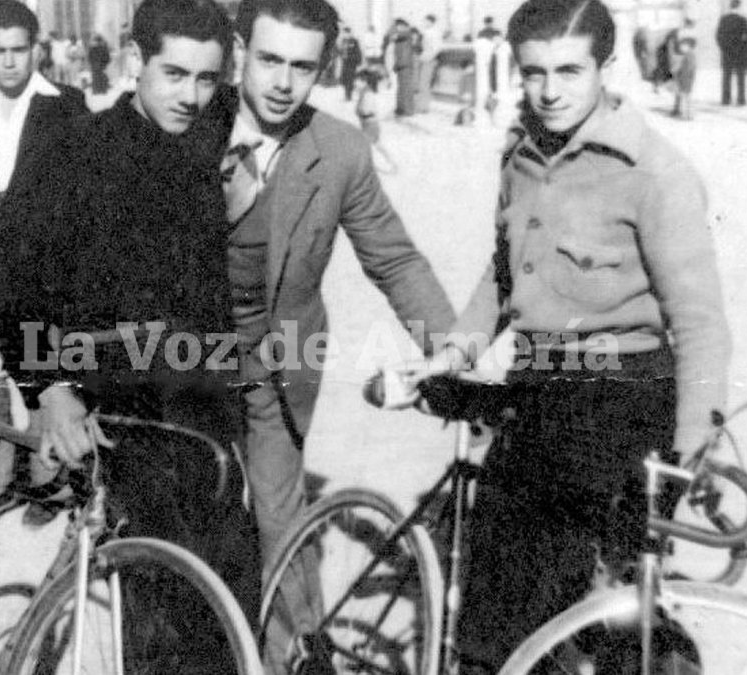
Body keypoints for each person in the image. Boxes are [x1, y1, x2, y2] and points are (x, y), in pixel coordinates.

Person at [400, 0, 730, 672]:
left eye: (570, 71)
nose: (550, 91)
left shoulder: (655, 174)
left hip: (620, 407)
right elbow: (501, 274)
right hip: (535, 399)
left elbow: (700, 324)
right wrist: (459, 347)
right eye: (534, 73)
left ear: (608, 68)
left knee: (604, 621)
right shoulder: (521, 158)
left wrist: (691, 451)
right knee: (499, 619)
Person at [0, 0, 261, 633]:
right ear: (135, 63)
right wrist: (48, 391)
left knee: (227, 603)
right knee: (156, 610)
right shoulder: (75, 151)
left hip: (203, 412)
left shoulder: (207, 131)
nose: (190, 95)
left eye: (207, 79)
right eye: (174, 74)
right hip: (114, 409)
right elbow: (2, 281)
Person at [204, 0, 455, 669]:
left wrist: (450, 348)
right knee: (191, 515)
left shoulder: (340, 149)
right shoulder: (186, 121)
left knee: (282, 519)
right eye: (269, 60)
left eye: (302, 66)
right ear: (240, 52)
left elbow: (394, 258)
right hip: (179, 357)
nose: (283, 82)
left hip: (278, 359)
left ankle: (296, 656)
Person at [0, 0, 88, 453]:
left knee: (38, 359)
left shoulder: (65, 104)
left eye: (19, 50)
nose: (9, 61)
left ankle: (50, 476)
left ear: (36, 50)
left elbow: (82, 178)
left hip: (41, 259)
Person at [354, 68, 394, 172]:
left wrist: (361, 111)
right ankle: (390, 162)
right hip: (368, 124)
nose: (355, 83)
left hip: (370, 124)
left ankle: (361, 168)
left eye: (357, 81)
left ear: (364, 81)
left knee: (362, 145)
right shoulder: (364, 91)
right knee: (377, 145)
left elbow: (368, 109)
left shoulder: (368, 93)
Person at [716, 0, 747, 106]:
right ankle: (741, 100)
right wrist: (744, 48)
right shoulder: (743, 20)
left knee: (726, 77)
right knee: (741, 77)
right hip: (740, 53)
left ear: (730, 7)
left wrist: (724, 48)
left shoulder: (723, 19)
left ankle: (725, 100)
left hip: (727, 53)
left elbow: (718, 36)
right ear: (739, 7)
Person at [671, 18, 697, 119]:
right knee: (685, 94)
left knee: (682, 92)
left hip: (684, 71)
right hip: (686, 72)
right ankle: (685, 112)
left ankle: (680, 110)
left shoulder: (681, 34)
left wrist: (676, 70)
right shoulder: (691, 52)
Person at [417, 14, 442, 113]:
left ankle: (424, 107)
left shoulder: (434, 33)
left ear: (431, 22)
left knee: (424, 84)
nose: (424, 23)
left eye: (426, 21)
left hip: (429, 60)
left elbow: (436, 48)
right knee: (423, 84)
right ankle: (422, 106)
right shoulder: (428, 32)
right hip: (425, 58)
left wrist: (428, 57)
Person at [337, 25, 362, 100]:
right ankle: (347, 94)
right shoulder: (343, 41)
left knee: (350, 80)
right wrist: (340, 53)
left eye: (347, 33)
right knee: (344, 79)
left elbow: (358, 51)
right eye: (345, 33)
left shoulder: (354, 41)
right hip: (345, 63)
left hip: (352, 63)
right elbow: (341, 51)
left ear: (350, 33)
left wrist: (358, 61)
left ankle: (348, 96)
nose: (346, 35)